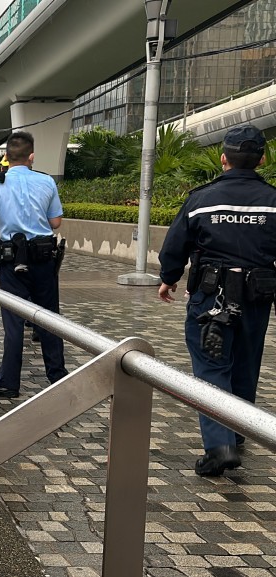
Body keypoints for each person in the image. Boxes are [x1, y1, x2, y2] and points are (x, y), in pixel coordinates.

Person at [157, 124, 276, 477]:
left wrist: (168, 279)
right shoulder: (273, 200)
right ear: (262, 159)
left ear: (223, 158)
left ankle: (219, 446)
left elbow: (175, 246)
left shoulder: (201, 199)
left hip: (212, 296)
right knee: (245, 363)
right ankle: (238, 433)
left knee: (211, 366)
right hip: (257, 297)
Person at [0, 131, 67, 398]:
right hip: (44, 259)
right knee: (49, 318)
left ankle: (8, 381)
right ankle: (57, 376)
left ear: (5, 158)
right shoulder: (46, 182)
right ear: (31, 156)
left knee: (13, 321)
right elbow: (55, 223)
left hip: (11, 260)